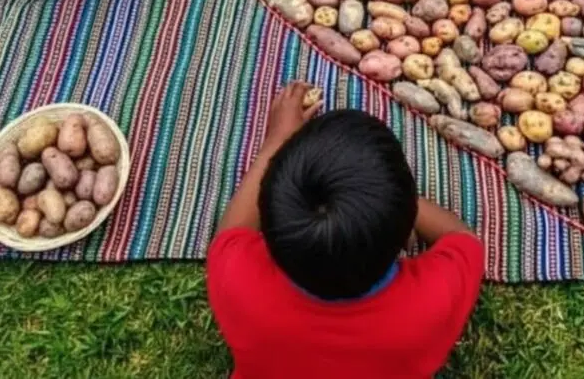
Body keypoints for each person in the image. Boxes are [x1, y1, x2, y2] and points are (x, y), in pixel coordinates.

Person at [207, 83, 484, 379]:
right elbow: (463, 241)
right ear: (405, 235)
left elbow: (231, 231)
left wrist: (276, 142)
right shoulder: (431, 306)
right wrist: (394, 202)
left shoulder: (237, 282)